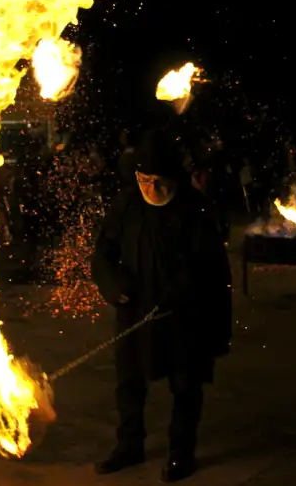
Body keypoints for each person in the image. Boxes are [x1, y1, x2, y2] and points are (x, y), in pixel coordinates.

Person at [92, 129, 232, 482]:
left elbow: (214, 270)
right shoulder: (126, 205)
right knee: (129, 384)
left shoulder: (196, 210)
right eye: (145, 180)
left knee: (185, 386)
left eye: (160, 182)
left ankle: (181, 454)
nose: (152, 190)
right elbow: (103, 254)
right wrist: (112, 286)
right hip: (133, 313)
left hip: (183, 318)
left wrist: (183, 292)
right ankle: (129, 446)